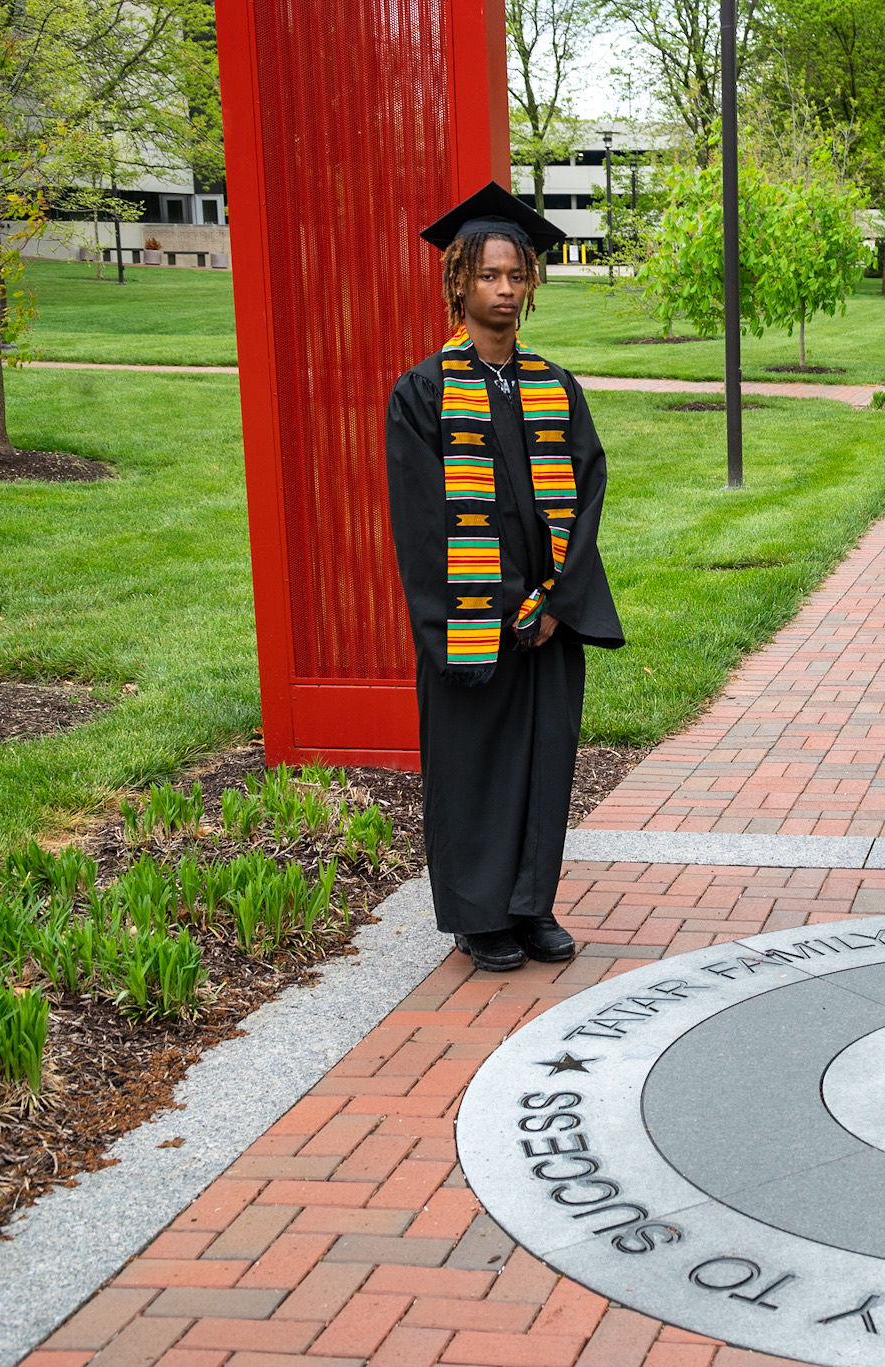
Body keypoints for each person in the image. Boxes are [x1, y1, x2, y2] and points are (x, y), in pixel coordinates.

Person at [385, 182, 624, 972]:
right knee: (475, 764)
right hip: (471, 615)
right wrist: (489, 609)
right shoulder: (420, 394)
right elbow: (424, 527)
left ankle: (531, 905)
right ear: (458, 281)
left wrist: (556, 600)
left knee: (543, 763)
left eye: (517, 276)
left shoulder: (555, 385)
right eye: (489, 275)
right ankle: (476, 915)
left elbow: (586, 494)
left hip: (547, 619)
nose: (506, 290)